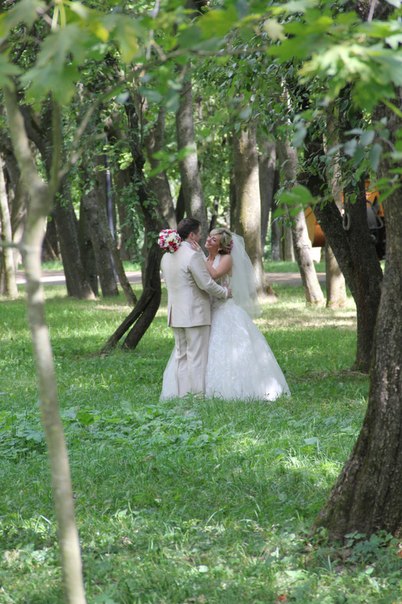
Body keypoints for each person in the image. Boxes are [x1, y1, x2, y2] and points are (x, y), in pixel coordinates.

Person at [161, 226, 290, 401]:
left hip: (224, 309)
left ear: (221, 245)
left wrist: (198, 256)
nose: (208, 240)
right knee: (197, 352)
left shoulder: (226, 258)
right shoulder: (205, 257)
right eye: (209, 237)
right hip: (207, 310)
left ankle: (225, 391)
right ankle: (189, 391)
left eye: (213, 239)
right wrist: (199, 258)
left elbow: (213, 275)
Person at [159, 218, 229, 398]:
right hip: (195, 313)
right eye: (199, 234)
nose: (200, 237)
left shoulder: (166, 256)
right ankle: (197, 397)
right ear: (191, 235)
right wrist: (224, 293)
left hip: (175, 314)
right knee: (196, 358)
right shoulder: (192, 255)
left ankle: (183, 396)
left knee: (181, 357)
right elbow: (206, 284)